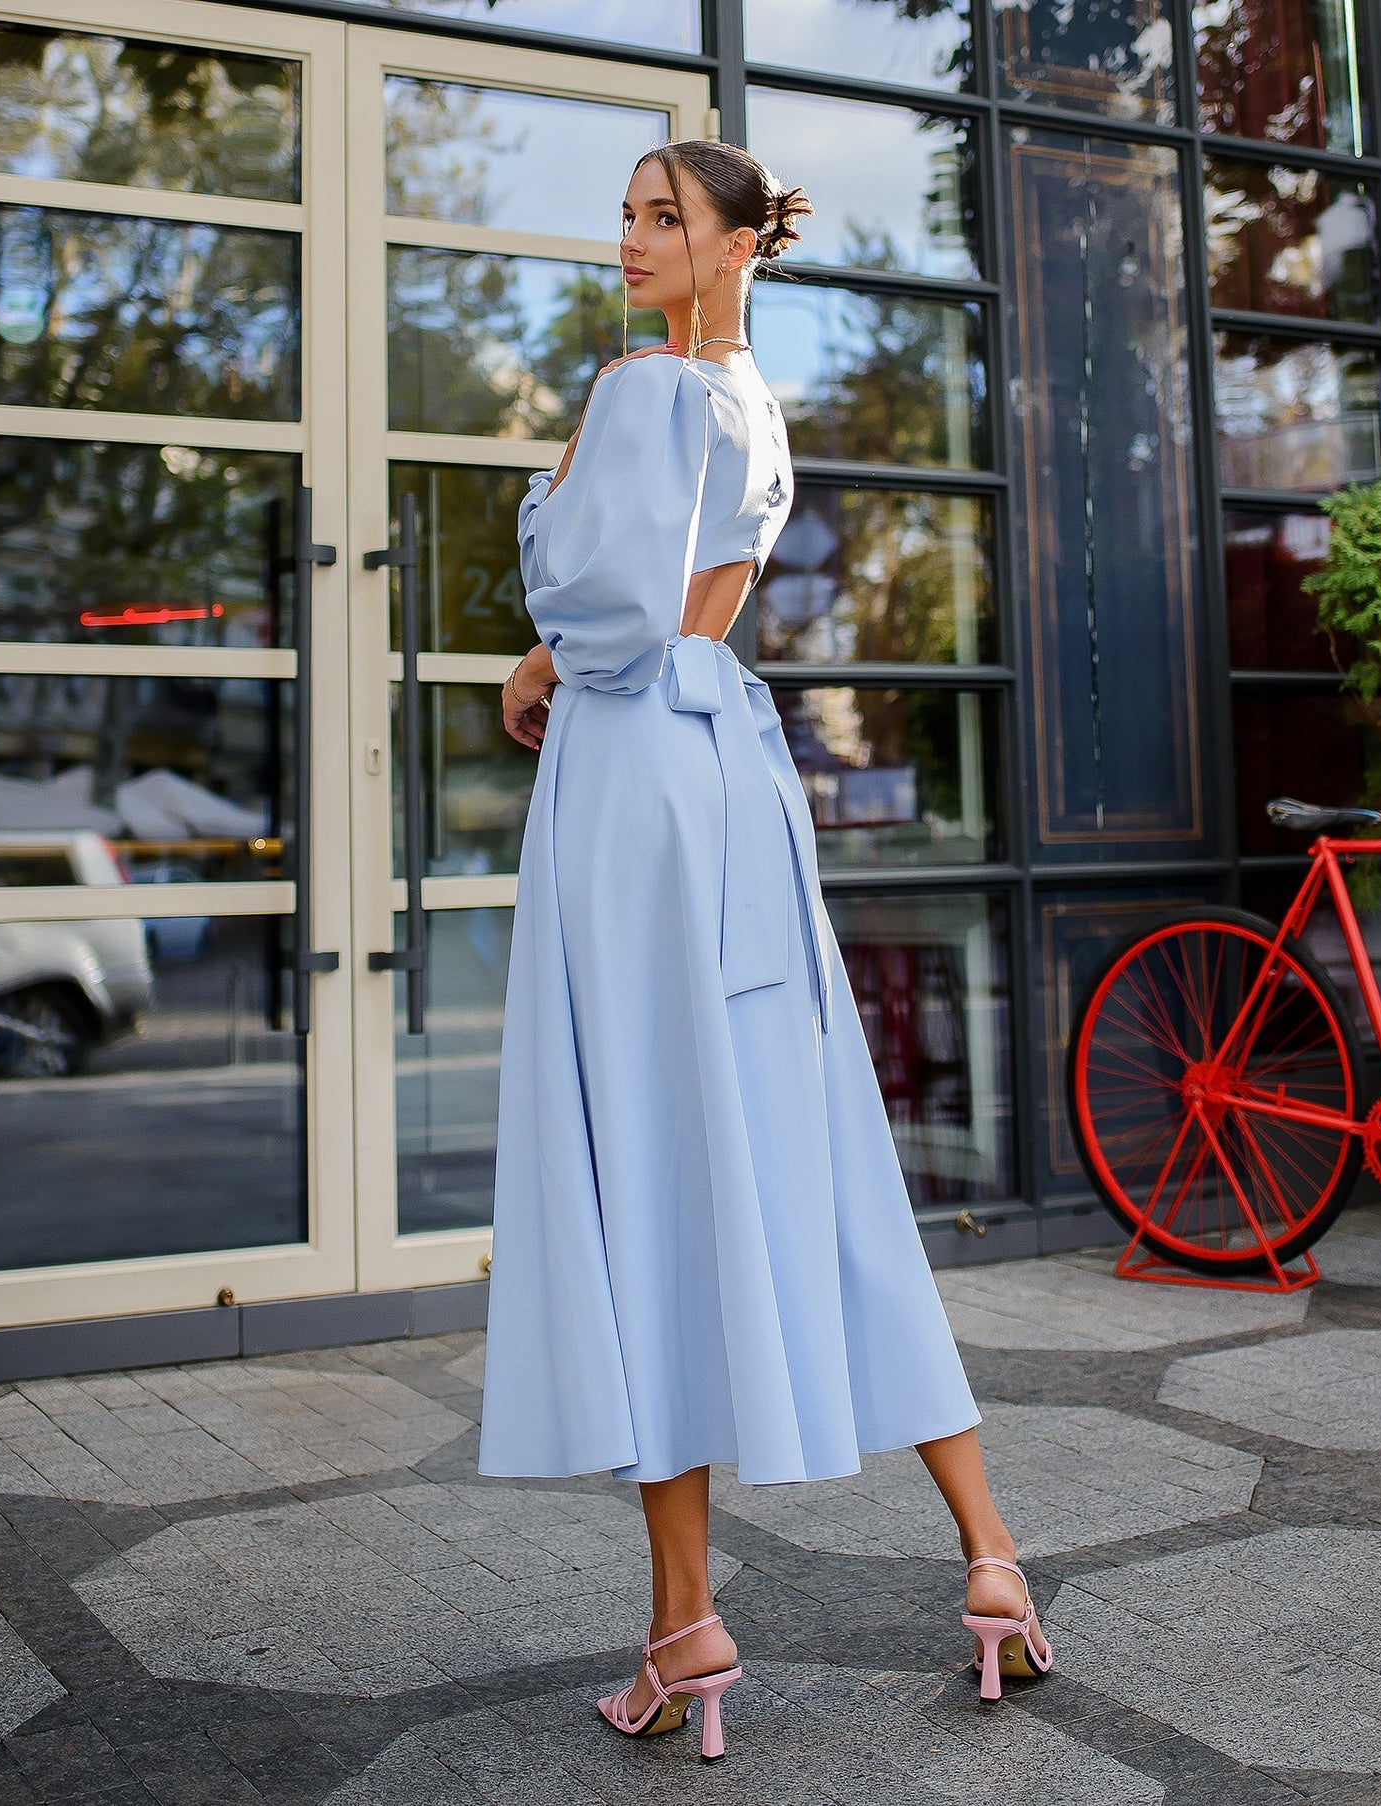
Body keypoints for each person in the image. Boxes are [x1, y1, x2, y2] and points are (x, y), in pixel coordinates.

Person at [478, 138, 1050, 1760]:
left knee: (648, 1171)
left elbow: (601, 605)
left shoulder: (646, 392)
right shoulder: (751, 401)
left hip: (631, 782)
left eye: (666, 217)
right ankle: (991, 1563)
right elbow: (695, 596)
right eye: (629, 212)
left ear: (736, 244)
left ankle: (685, 1623)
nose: (633, 238)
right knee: (808, 1149)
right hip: (728, 769)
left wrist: (530, 640)